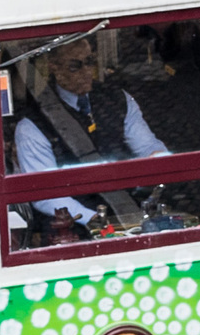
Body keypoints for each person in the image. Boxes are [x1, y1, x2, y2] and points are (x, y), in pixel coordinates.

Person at [11, 33, 172, 239]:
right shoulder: (31, 126)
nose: (87, 72)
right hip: (74, 229)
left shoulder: (118, 100)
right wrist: (96, 220)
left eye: (89, 62)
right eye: (75, 66)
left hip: (130, 213)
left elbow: (148, 146)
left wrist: (157, 160)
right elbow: (46, 195)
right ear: (54, 67)